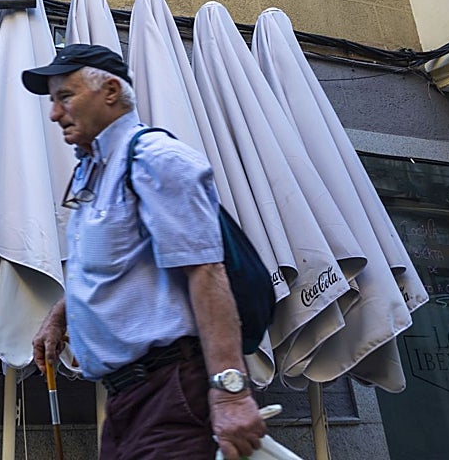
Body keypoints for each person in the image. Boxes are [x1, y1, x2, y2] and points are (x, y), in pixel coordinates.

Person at [22, 44, 266, 460]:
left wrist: (231, 395)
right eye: (52, 100)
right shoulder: (92, 170)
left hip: (171, 392)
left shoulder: (157, 160)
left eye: (65, 96)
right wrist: (60, 316)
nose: (54, 113)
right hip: (126, 400)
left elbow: (207, 273)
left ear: (111, 92)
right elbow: (119, 265)